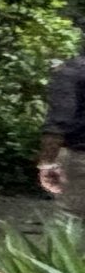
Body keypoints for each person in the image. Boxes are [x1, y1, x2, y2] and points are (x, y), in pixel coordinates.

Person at [44, 29, 85, 216]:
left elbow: (59, 122)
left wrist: (47, 162)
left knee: (73, 225)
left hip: (79, 157)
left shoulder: (72, 72)